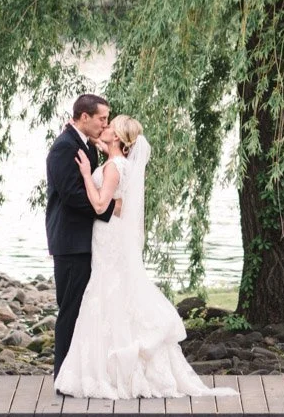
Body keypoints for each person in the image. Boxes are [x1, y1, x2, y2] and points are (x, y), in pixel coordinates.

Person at [53, 114, 232, 400]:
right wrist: (79, 132)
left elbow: (100, 205)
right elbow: (110, 165)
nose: (105, 126)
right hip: (110, 236)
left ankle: (109, 373)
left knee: (105, 294)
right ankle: (109, 367)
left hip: (107, 235)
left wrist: (87, 174)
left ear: (119, 138)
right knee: (111, 294)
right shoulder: (120, 162)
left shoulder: (113, 167)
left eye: (110, 126)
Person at [45, 93, 113, 377]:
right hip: (71, 243)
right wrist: (107, 210)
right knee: (70, 310)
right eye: (101, 119)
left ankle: (79, 372)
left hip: (84, 240)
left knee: (84, 310)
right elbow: (72, 195)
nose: (105, 124)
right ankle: (63, 376)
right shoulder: (64, 148)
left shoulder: (85, 144)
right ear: (84, 117)